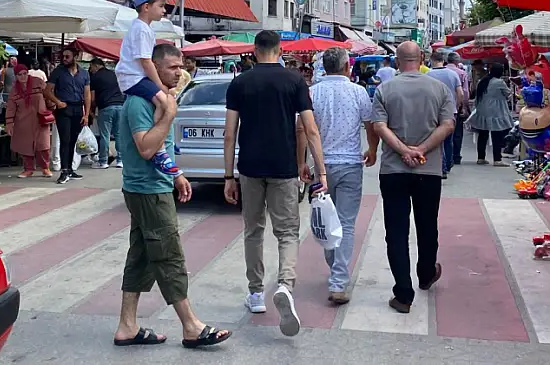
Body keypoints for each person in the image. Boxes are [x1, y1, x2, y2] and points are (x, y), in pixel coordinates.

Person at [113, 43, 232, 349]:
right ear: (153, 68)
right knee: (168, 255)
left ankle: (127, 325)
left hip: (151, 185)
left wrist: (176, 174)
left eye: (181, 67)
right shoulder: (141, 102)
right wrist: (169, 114)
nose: (179, 72)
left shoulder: (158, 98)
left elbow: (160, 150)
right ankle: (191, 325)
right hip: (147, 189)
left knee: (141, 256)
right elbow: (146, 147)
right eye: (172, 67)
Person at [223, 30, 326, 337]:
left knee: (253, 230)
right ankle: (285, 285)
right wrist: (320, 172)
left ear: (254, 51)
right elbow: (309, 129)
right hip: (283, 168)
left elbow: (230, 134)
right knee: (287, 232)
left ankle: (255, 294)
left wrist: (228, 176)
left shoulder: (239, 82)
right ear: (280, 50)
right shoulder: (294, 81)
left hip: (250, 167)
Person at [371, 41, 455, 314]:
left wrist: (403, 150)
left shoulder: (385, 89)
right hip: (428, 170)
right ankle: (426, 273)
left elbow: (379, 126)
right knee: (427, 224)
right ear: (421, 58)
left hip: (393, 170)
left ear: (397, 60)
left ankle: (403, 294)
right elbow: (448, 124)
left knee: (396, 231)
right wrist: (421, 150)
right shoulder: (439, 89)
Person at [306, 46, 377, 304]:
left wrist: (302, 160)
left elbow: (303, 128)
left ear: (324, 67)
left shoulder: (312, 92)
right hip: (349, 164)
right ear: (348, 67)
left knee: (325, 219)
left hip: (321, 167)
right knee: (345, 223)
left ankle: (334, 266)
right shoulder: (358, 92)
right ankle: (338, 280)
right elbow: (370, 124)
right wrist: (372, 148)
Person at [116, 0, 180, 176]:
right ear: (146, 7)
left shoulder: (142, 28)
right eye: (160, 6)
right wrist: (159, 85)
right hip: (133, 78)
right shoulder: (142, 29)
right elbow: (146, 62)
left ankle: (163, 143)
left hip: (134, 77)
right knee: (163, 102)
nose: (164, 10)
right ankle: (159, 150)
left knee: (164, 100)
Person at [45, 47, 92, 184]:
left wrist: (86, 114)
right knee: (65, 140)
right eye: (63, 56)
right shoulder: (58, 72)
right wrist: (57, 102)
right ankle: (64, 170)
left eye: (67, 56)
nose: (64, 59)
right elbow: (47, 91)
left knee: (73, 140)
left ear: (75, 57)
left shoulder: (84, 73)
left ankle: (70, 168)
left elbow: (87, 94)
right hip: (64, 108)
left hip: (78, 108)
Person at [7, 64, 53, 178]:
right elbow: (11, 107)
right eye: (19, 75)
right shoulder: (14, 90)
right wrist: (9, 123)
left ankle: (45, 168)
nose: (23, 77)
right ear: (16, 76)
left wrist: (52, 106)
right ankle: (28, 169)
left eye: (24, 73)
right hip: (23, 121)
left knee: (43, 145)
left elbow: (48, 94)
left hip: (40, 118)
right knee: (25, 145)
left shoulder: (37, 82)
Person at [467, 63, 512, 166]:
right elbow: (508, 94)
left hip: (482, 111)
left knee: (483, 135)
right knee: (497, 135)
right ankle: (497, 159)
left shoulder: (482, 81)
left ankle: (481, 158)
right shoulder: (499, 82)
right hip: (495, 111)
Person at [426, 51, 462, 176]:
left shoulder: (429, 74)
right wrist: (456, 106)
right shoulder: (453, 74)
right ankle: (448, 164)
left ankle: (442, 167)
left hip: (433, 112)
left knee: (437, 139)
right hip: (451, 111)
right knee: (448, 140)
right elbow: (460, 93)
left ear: (432, 60)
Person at [90, 57, 125, 169]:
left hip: (105, 107)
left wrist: (92, 110)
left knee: (105, 135)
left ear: (96, 65)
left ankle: (103, 161)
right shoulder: (114, 74)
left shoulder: (95, 77)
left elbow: (92, 98)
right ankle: (121, 160)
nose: (91, 70)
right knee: (119, 134)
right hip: (120, 105)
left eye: (91, 67)